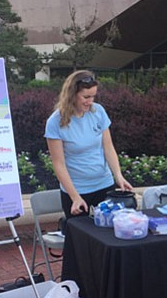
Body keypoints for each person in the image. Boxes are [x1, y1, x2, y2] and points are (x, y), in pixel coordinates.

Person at [45, 70, 133, 219]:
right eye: (86, 97)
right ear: (72, 95)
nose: (90, 101)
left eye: (93, 96)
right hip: (77, 190)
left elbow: (108, 147)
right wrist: (75, 197)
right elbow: (58, 164)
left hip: (104, 183)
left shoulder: (98, 112)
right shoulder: (54, 122)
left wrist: (118, 176)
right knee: (80, 239)